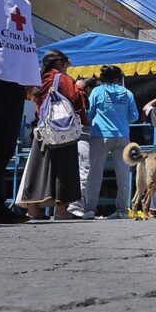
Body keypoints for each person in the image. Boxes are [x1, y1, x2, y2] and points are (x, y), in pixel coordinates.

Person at [0, 0, 41, 223]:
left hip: (13, 82)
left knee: (3, 146)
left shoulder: (25, 3)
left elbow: (25, 41)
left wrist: (30, 76)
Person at [16, 50, 87, 219]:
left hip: (43, 130)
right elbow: (75, 100)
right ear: (59, 62)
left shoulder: (38, 79)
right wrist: (80, 89)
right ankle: (62, 211)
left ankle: (33, 209)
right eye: (66, 64)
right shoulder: (62, 79)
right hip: (61, 131)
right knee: (63, 170)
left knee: (38, 170)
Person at [82, 65, 139, 219]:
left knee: (94, 173)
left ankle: (89, 210)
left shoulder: (96, 91)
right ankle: (122, 211)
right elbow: (134, 116)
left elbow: (89, 113)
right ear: (118, 78)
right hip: (122, 136)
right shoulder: (127, 93)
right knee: (123, 175)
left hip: (100, 135)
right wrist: (121, 119)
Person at [67, 76, 99, 218]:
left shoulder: (78, 98)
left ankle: (78, 206)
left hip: (78, 137)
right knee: (84, 172)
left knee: (81, 172)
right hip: (83, 138)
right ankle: (75, 206)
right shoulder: (83, 99)